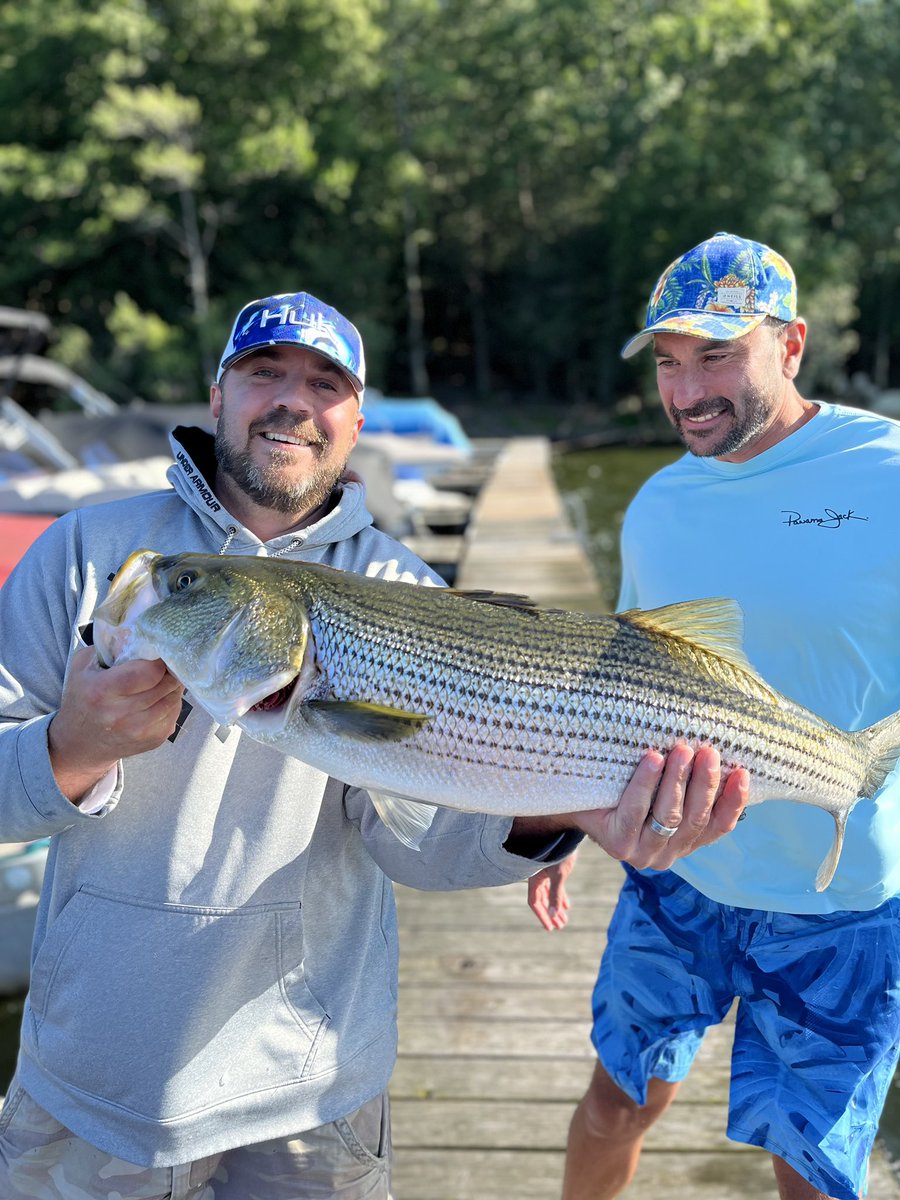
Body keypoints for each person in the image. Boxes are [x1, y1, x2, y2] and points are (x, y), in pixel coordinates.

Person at [0, 288, 744, 1200]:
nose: (292, 400)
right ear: (218, 394)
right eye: (263, 371)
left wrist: (554, 809)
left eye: (324, 383)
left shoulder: (407, 587)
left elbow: (417, 842)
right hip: (88, 1087)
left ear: (354, 420)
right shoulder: (93, 555)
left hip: (310, 1100)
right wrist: (71, 749)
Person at [528, 231, 900, 1200]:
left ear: (792, 344)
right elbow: (618, 688)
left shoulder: (888, 472)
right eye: (668, 362)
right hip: (676, 877)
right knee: (616, 1103)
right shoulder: (655, 506)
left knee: (808, 1172)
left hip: (841, 898)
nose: (686, 392)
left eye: (716, 355)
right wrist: (563, 817)